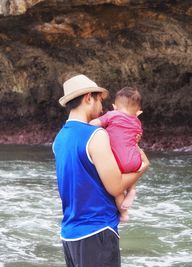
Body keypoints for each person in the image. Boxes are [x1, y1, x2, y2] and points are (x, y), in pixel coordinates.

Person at [52, 74, 149, 267]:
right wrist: (142, 168)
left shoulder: (59, 139)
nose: (102, 107)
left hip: (70, 234)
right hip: (97, 231)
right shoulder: (96, 135)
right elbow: (115, 187)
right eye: (99, 100)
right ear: (88, 98)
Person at [90, 86, 148, 221]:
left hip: (118, 161)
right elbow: (136, 137)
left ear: (114, 106)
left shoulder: (112, 115)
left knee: (117, 190)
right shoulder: (137, 122)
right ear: (137, 111)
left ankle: (123, 214)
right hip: (135, 159)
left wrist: (88, 124)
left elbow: (94, 123)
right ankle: (132, 190)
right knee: (130, 174)